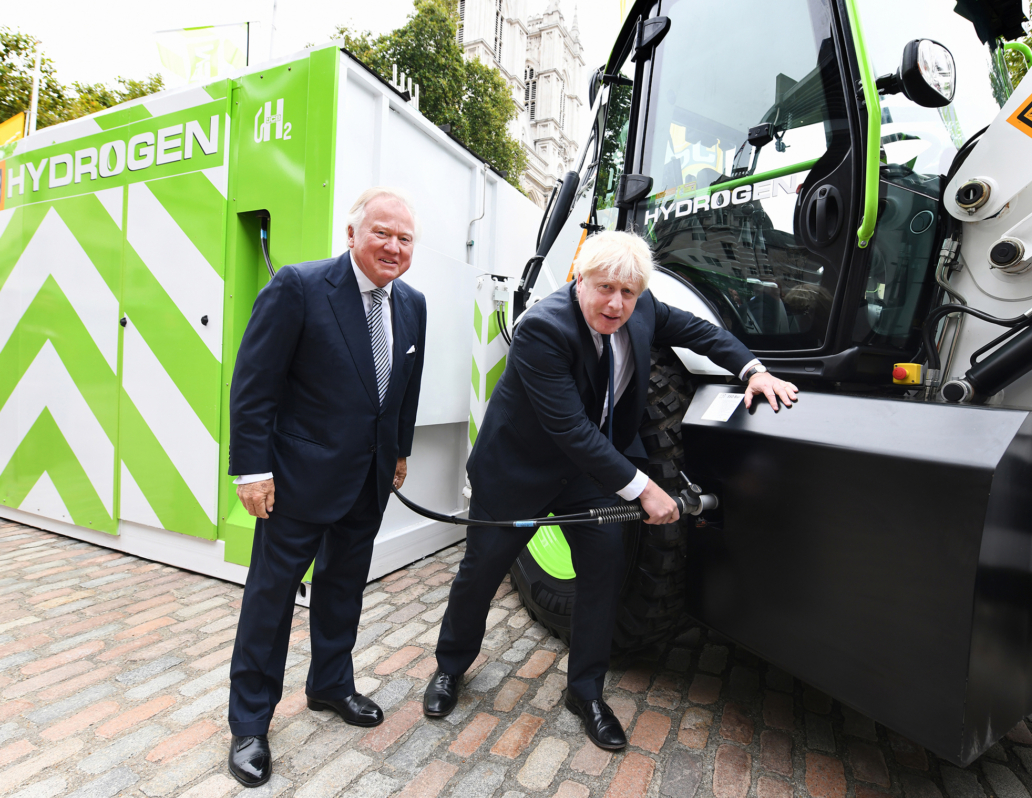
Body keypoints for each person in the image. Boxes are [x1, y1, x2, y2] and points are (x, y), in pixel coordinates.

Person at [424, 230, 797, 750]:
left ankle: (586, 692)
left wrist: (753, 370)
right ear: (579, 279)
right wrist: (645, 488)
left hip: (589, 474)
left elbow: (698, 330)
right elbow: (570, 429)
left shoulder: (641, 309)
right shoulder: (542, 328)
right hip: (520, 471)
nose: (616, 304)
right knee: (481, 572)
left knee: (603, 573)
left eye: (628, 292)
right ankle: (450, 668)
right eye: (604, 288)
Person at [224, 187, 427, 788]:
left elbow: (403, 389)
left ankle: (331, 684)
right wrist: (251, 470)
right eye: (382, 233)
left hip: (367, 481)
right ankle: (250, 724)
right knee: (272, 598)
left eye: (405, 238)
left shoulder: (413, 303)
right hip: (295, 483)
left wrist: (400, 452)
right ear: (352, 234)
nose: (393, 246)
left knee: (343, 589)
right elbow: (254, 382)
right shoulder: (300, 287)